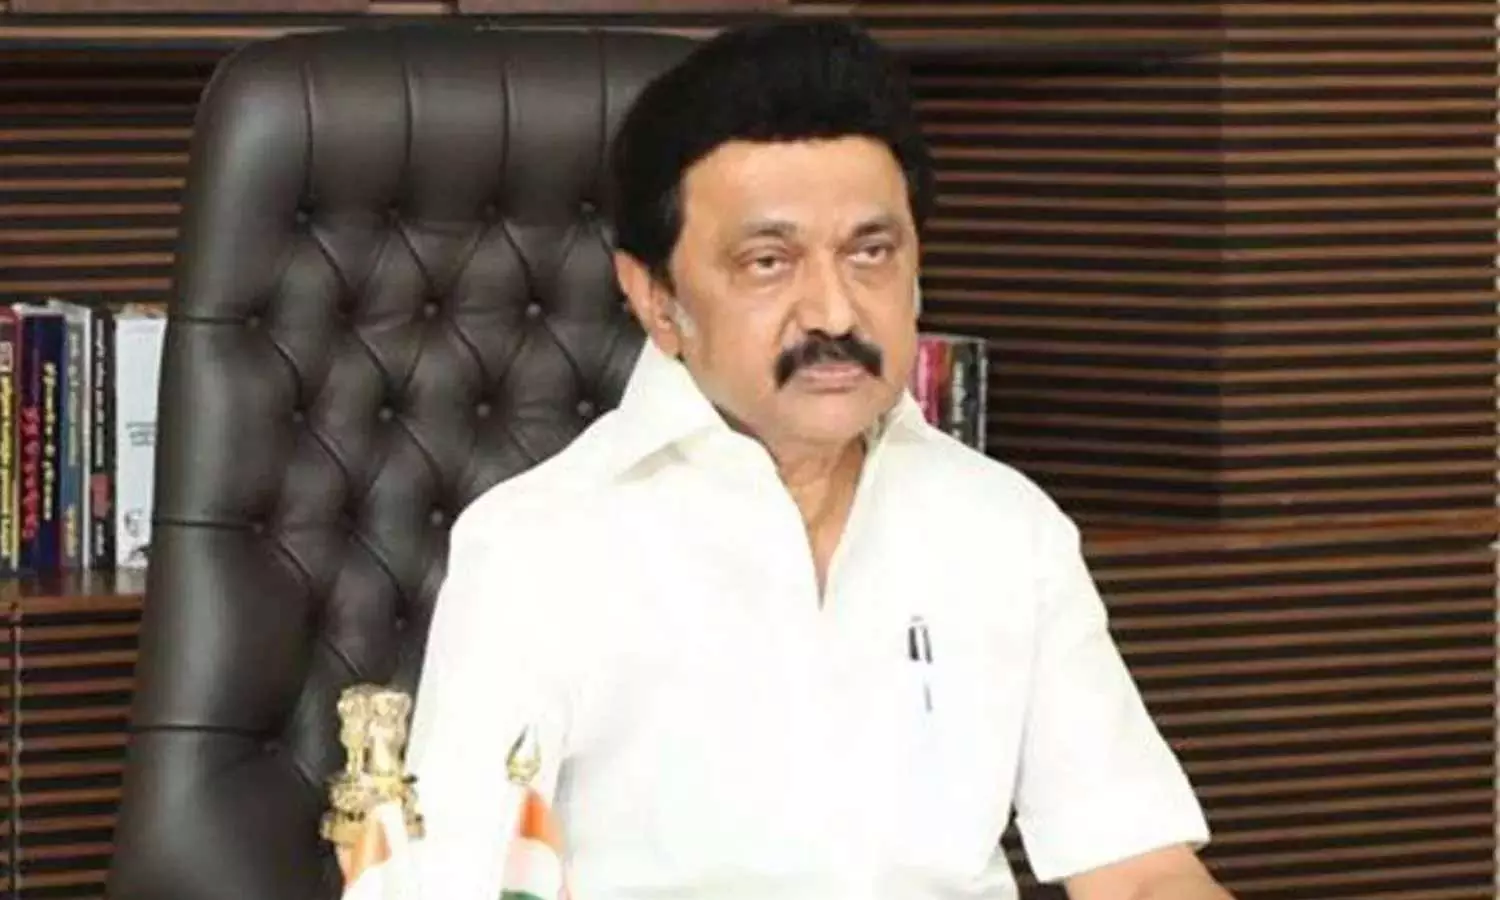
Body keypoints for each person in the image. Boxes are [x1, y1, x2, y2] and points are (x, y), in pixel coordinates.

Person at [405, 18, 1233, 900]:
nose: (835, 313)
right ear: (654, 298)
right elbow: (448, 884)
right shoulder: (538, 548)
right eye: (769, 261)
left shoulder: (1005, 528)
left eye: (870, 253)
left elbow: (1140, 869)